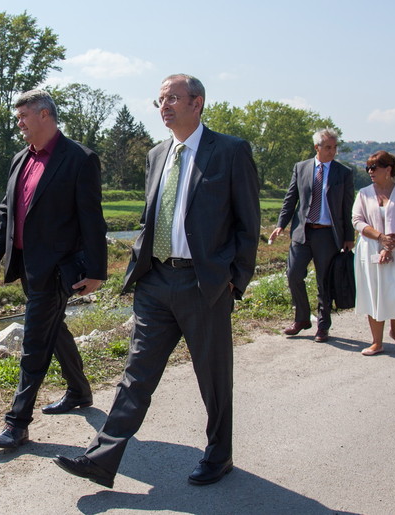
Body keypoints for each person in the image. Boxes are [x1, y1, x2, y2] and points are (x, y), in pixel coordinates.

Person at [53, 74, 260, 488]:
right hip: (156, 281)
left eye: (172, 98)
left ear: (197, 103)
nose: (164, 106)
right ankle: (101, 459)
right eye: (159, 100)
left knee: (213, 378)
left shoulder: (231, 152)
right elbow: (152, 218)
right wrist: (139, 267)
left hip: (204, 285)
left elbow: (247, 224)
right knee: (136, 374)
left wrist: (233, 281)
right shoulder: (156, 154)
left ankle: (219, 455)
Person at [0, 89, 108, 449]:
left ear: (44, 116)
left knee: (35, 341)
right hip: (25, 265)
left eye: (23, 116)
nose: (19, 123)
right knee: (53, 328)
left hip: (57, 267)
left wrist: (96, 270)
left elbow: (92, 219)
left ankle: (17, 423)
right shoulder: (21, 158)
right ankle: (79, 391)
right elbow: (6, 209)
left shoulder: (80, 159)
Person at [269, 128, 354, 342]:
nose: (332, 151)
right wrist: (281, 224)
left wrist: (348, 236)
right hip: (302, 232)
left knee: (324, 281)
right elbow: (291, 199)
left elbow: (347, 208)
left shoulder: (343, 173)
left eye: (335, 147)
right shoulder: (301, 168)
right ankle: (302, 318)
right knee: (293, 274)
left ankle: (323, 326)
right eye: (328, 147)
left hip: (328, 234)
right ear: (317, 147)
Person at [351, 151, 395, 356]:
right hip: (370, 247)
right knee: (373, 292)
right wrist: (380, 237)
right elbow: (357, 220)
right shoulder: (364, 193)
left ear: (388, 169)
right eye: (368, 168)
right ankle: (376, 342)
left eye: (374, 168)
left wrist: (389, 245)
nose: (370, 172)